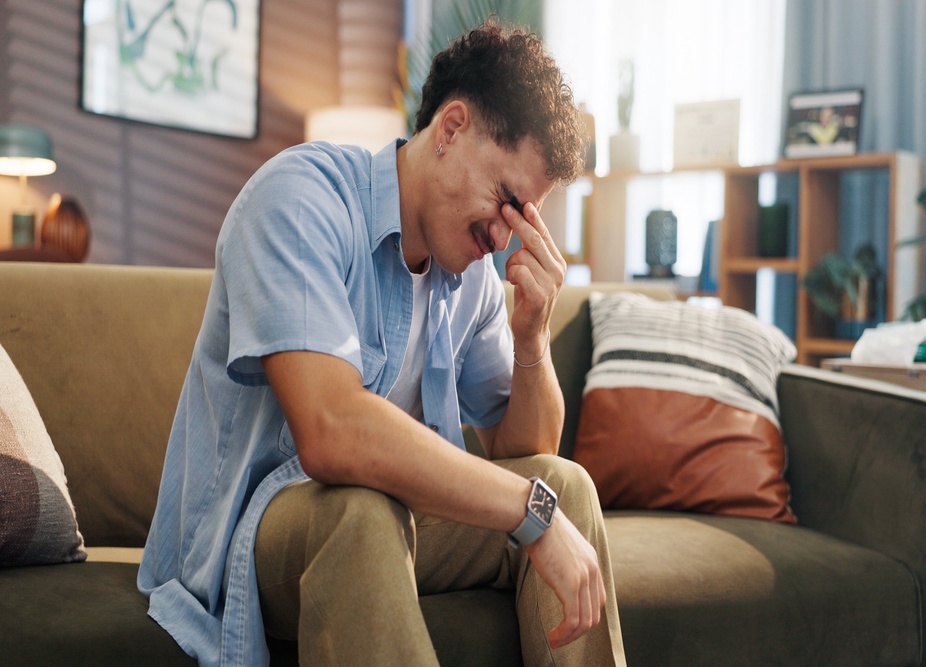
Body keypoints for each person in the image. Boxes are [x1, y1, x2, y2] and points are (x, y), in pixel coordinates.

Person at [138, 17, 627, 667]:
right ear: (451, 128)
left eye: (523, 218)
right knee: (364, 508)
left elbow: (526, 452)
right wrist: (527, 509)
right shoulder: (301, 199)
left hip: (397, 524)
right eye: (506, 200)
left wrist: (532, 335)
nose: (503, 238)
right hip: (256, 538)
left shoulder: (473, 278)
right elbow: (332, 430)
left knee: (565, 485)